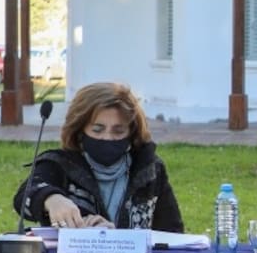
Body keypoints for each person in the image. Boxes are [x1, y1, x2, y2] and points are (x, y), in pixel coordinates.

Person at [13, 82, 184, 231]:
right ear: (80, 131)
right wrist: (52, 199)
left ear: (131, 133)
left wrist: (113, 238)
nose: (107, 138)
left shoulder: (150, 170)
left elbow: (172, 232)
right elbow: (24, 197)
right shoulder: (59, 164)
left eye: (118, 131)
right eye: (97, 130)